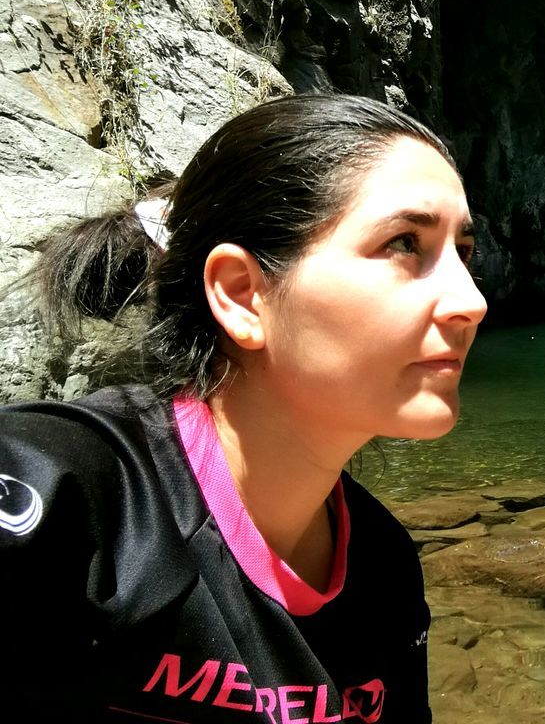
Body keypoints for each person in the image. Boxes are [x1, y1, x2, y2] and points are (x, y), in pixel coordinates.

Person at [0, 93, 487, 722]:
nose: (470, 301)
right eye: (403, 243)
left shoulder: (383, 569)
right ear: (241, 295)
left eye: (465, 253)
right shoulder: (63, 497)